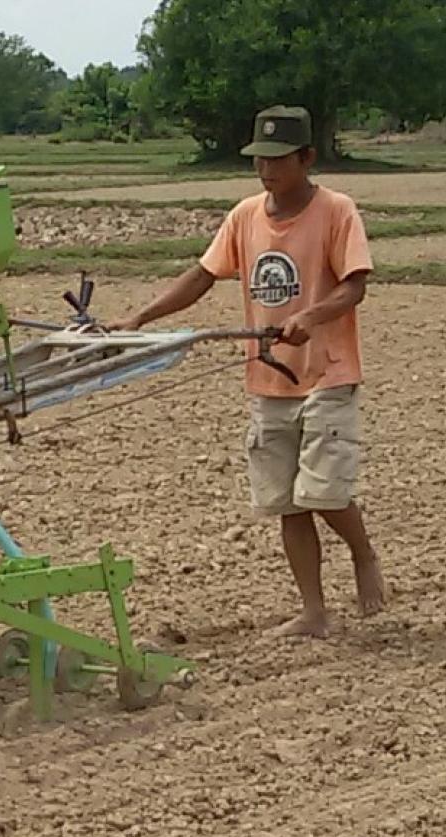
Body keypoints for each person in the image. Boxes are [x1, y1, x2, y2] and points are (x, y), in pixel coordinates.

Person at [106, 104, 385, 639]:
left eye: (278, 159)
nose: (266, 170)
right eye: (259, 159)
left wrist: (310, 315)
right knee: (286, 500)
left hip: (326, 370)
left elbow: (356, 285)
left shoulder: (337, 211)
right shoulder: (244, 217)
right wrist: (140, 317)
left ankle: (363, 553)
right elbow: (203, 275)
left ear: (307, 157)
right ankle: (313, 611)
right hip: (270, 377)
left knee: (323, 492)